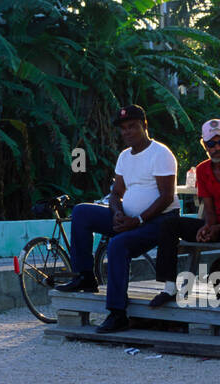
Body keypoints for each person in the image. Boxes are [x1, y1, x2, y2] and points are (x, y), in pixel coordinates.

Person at [56, 104, 178, 334]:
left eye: (132, 126)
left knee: (118, 244)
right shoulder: (124, 156)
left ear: (145, 126)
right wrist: (117, 211)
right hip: (130, 218)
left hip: (159, 221)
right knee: (82, 211)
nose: (127, 132)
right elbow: (115, 192)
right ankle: (84, 276)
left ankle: (117, 313)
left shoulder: (161, 153)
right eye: (123, 128)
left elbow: (166, 197)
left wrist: (138, 220)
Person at [150, 119, 220, 314]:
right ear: (204, 146)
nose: (217, 148)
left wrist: (218, 227)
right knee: (169, 224)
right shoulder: (202, 169)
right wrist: (207, 226)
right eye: (211, 144)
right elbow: (208, 207)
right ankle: (169, 287)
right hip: (218, 225)